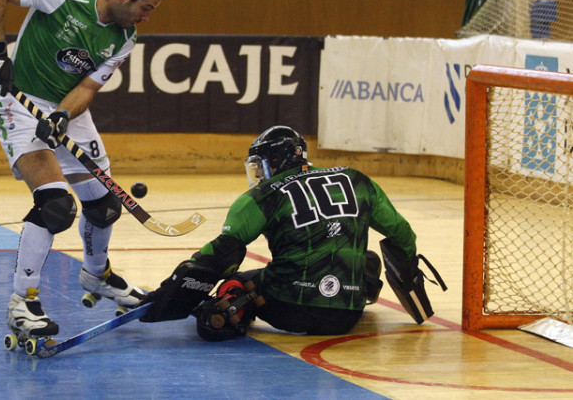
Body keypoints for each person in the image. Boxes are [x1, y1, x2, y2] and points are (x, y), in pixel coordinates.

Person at [0, 0, 171, 339]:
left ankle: (97, 276)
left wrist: (62, 117)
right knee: (55, 206)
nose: (146, 17)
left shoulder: (124, 38)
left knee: (104, 206)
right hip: (19, 106)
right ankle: (22, 302)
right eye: (145, 8)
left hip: (67, 112)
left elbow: (86, 88)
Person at [139, 126, 422, 340]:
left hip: (288, 310)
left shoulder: (262, 196)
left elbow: (220, 255)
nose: (259, 174)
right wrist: (409, 274)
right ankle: (349, 292)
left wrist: (169, 293)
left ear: (275, 161)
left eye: (261, 165)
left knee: (239, 279)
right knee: (365, 259)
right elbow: (403, 235)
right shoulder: (357, 180)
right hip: (345, 317)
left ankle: (230, 310)